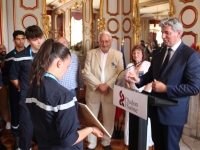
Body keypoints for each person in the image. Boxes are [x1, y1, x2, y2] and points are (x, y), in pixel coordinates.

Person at [126, 18, 200, 150]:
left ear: (179, 33)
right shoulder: (159, 52)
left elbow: (194, 87)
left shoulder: (190, 55)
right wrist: (138, 80)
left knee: (170, 147)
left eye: (167, 33)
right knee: (158, 146)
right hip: (155, 111)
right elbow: (150, 75)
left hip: (173, 113)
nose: (163, 36)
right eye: (162, 32)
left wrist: (166, 89)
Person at [25, 39, 103, 150]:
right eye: (67, 67)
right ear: (59, 63)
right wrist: (91, 129)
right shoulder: (64, 96)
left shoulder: (32, 87)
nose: (66, 71)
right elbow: (69, 140)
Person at [84, 31, 124, 150]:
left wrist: (107, 85)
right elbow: (86, 72)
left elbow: (120, 73)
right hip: (93, 91)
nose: (104, 43)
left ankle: (106, 141)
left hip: (109, 91)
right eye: (102, 41)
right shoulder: (91, 53)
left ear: (111, 42)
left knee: (109, 118)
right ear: (98, 42)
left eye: (107, 41)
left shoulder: (118, 55)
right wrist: (98, 85)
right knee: (91, 118)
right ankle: (91, 143)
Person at [9, 25, 44, 150]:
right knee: (27, 128)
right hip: (26, 97)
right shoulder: (20, 56)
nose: (39, 41)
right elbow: (12, 76)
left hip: (43, 96)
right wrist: (21, 87)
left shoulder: (46, 54)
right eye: (35, 39)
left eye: (40, 38)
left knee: (44, 126)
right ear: (28, 40)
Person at [124, 45, 153, 148]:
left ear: (142, 55)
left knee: (143, 120)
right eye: (134, 53)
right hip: (132, 96)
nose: (136, 55)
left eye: (138, 53)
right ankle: (131, 141)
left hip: (144, 95)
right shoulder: (129, 65)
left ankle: (144, 143)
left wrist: (143, 93)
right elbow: (126, 81)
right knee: (130, 119)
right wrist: (129, 88)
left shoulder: (148, 65)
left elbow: (150, 81)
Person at [4, 30, 26, 148]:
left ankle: (28, 138)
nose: (21, 41)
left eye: (23, 38)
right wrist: (14, 86)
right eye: (18, 39)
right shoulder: (9, 57)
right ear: (14, 40)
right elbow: (7, 74)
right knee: (15, 113)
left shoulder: (30, 54)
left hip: (28, 91)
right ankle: (17, 140)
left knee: (28, 113)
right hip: (14, 91)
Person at [0, 44, 11, 130]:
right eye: (0, 49)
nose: (2, 49)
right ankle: (7, 121)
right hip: (2, 85)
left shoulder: (10, 57)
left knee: (12, 103)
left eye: (3, 48)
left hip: (11, 84)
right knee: (4, 104)